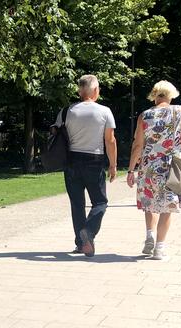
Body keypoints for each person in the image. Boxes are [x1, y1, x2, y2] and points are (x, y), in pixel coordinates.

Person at [126, 81, 181, 261]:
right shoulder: (179, 110)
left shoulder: (144, 115)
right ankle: (159, 249)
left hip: (149, 165)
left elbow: (138, 145)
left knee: (150, 200)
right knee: (167, 206)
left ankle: (149, 236)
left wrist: (131, 170)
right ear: (171, 95)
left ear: (154, 95)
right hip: (172, 164)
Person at [53, 75, 117, 257]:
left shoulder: (66, 111)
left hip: (71, 160)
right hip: (94, 161)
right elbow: (110, 141)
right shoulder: (104, 111)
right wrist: (113, 165)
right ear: (95, 90)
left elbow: (56, 134)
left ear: (79, 90)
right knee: (100, 202)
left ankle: (81, 244)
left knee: (77, 204)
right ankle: (88, 232)